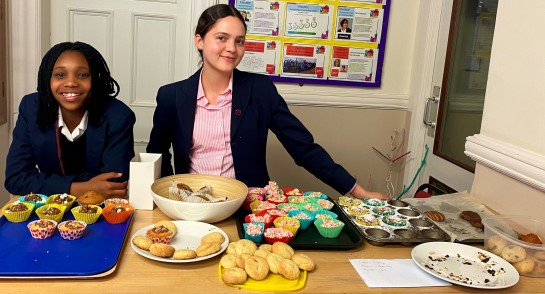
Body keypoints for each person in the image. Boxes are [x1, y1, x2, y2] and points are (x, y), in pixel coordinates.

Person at [146, 4, 387, 200]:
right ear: (200, 41)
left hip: (250, 208)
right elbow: (156, 155)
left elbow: (303, 148)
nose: (231, 48)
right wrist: (171, 197)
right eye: (222, 38)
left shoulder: (260, 91)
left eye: (239, 41)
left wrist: (359, 192)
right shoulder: (171, 96)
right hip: (193, 209)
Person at [5, 41, 136, 198]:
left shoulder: (119, 115)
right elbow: (16, 179)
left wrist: (43, 182)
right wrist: (79, 188)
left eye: (83, 75)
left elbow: (114, 184)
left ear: (95, 79)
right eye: (60, 75)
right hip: (45, 208)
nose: (71, 83)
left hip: (98, 211)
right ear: (47, 78)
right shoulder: (31, 108)